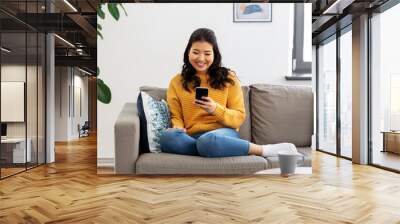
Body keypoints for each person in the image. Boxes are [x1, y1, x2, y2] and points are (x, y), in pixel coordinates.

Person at [159, 28, 297, 158]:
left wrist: (215, 109)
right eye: (195, 52)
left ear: (215, 54)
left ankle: (263, 150)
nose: (201, 59)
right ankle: (209, 149)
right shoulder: (177, 81)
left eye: (207, 53)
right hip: (190, 136)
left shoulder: (228, 78)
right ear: (188, 52)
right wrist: (177, 128)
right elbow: (175, 116)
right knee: (166, 138)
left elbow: (238, 117)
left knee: (208, 141)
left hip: (222, 135)